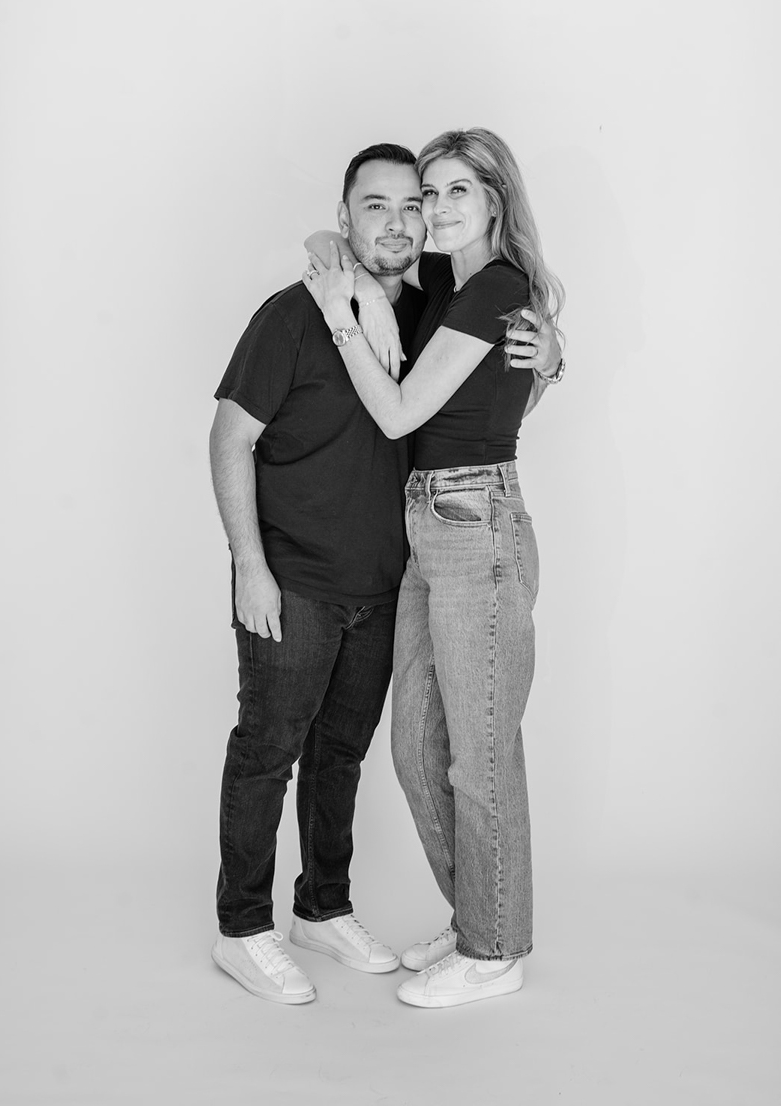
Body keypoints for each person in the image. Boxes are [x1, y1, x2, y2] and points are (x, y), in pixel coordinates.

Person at [303, 127, 565, 1009]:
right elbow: (324, 241)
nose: (438, 210)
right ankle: (479, 920)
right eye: (428, 195)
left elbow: (401, 411)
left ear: (496, 201)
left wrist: (345, 318)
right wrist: (365, 294)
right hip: (431, 526)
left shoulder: (494, 288)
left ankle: (495, 949)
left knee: (479, 757)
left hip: (475, 526)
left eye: (459, 192)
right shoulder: (452, 292)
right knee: (419, 749)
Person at [208, 143, 429, 1005]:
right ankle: (241, 928)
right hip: (291, 581)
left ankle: (321, 908)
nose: (398, 222)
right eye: (375, 206)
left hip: (379, 589)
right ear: (345, 221)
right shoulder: (292, 316)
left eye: (411, 206)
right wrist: (248, 568)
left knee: (341, 756)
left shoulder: (424, 313)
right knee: (267, 754)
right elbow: (230, 438)